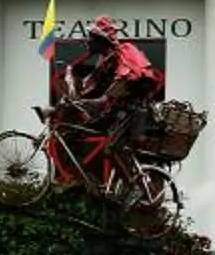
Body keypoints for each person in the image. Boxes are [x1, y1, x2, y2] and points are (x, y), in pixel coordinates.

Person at [61, 19, 164, 172]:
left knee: (113, 147)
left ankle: (132, 184)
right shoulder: (104, 63)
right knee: (75, 132)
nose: (87, 41)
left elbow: (113, 92)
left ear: (101, 40)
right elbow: (94, 91)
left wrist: (82, 103)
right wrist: (75, 96)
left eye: (91, 37)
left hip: (130, 115)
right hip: (115, 113)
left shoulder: (124, 54)